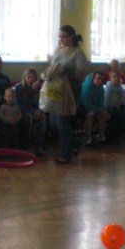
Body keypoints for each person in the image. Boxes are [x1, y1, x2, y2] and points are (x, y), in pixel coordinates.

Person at [49, 25, 88, 158]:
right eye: (59, 37)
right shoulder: (58, 50)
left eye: (64, 37)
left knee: (62, 120)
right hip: (56, 88)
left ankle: (65, 154)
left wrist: (65, 71)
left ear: (71, 37)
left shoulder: (78, 53)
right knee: (53, 121)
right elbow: (52, 68)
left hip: (70, 90)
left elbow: (81, 75)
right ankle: (75, 142)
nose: (61, 40)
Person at [14, 68, 46, 156]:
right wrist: (32, 111)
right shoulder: (19, 87)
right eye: (28, 77)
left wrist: (38, 110)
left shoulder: (38, 88)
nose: (30, 79)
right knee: (29, 117)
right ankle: (27, 146)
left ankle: (39, 146)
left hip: (34, 110)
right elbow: (19, 105)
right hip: (22, 111)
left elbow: (40, 102)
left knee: (43, 117)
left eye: (33, 77)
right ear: (25, 78)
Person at [81, 72, 109, 147]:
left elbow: (101, 102)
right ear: (93, 79)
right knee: (90, 114)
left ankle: (102, 137)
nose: (100, 81)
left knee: (101, 115)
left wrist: (103, 110)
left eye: (102, 79)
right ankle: (88, 138)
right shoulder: (87, 87)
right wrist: (101, 110)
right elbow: (87, 104)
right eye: (98, 79)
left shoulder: (101, 89)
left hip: (94, 107)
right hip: (82, 107)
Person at [104, 70, 125, 142]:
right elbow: (106, 97)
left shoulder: (120, 87)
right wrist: (105, 109)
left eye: (117, 76)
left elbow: (120, 98)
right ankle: (109, 135)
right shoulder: (109, 85)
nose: (116, 78)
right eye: (114, 76)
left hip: (116, 106)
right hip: (109, 105)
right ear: (110, 78)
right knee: (113, 117)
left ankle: (116, 135)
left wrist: (118, 106)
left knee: (120, 117)